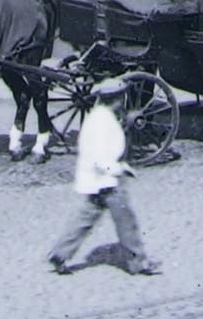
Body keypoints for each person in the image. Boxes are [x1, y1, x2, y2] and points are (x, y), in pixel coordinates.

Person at [46, 76, 161, 276]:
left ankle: (60, 253)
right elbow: (101, 158)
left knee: (85, 218)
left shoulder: (98, 117)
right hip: (107, 180)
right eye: (121, 98)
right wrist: (119, 169)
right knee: (127, 221)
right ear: (116, 99)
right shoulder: (103, 121)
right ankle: (139, 262)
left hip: (95, 180)